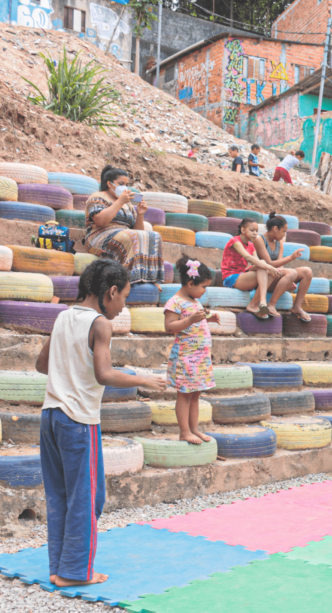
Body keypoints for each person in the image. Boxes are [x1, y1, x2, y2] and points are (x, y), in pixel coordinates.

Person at [35, 260, 166, 587]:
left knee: (60, 494)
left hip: (50, 415)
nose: (124, 305)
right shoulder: (100, 324)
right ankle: (76, 572)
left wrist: (68, 371)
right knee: (88, 497)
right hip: (78, 420)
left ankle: (59, 567)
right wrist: (144, 379)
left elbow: (41, 364)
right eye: (124, 297)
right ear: (110, 292)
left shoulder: (64, 316)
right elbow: (104, 374)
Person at [164, 258, 219, 444]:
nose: (205, 291)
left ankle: (194, 430)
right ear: (190, 283)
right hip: (186, 355)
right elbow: (170, 327)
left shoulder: (195, 301)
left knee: (196, 394)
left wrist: (209, 319)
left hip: (200, 356)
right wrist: (190, 320)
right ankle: (184, 432)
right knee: (185, 394)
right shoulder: (175, 302)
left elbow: (196, 320)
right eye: (203, 287)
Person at [84, 166, 163, 286]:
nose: (124, 187)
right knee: (129, 235)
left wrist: (140, 215)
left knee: (155, 236)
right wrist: (119, 201)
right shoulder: (97, 197)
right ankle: (127, 278)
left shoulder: (129, 205)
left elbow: (138, 231)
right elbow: (100, 221)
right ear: (109, 184)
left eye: (126, 184)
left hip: (125, 234)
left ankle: (147, 277)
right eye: (121, 184)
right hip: (100, 236)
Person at [221, 218, 293, 319]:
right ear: (243, 230)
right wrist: (270, 267)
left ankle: (259, 304)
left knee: (263, 264)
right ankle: (261, 302)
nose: (255, 233)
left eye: (257, 231)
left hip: (243, 274)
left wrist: (270, 268)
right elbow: (248, 257)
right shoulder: (235, 241)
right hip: (231, 277)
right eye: (252, 230)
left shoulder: (251, 245)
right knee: (265, 266)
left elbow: (258, 262)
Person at [252, 213, 315, 323]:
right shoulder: (259, 239)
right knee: (290, 273)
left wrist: (289, 280)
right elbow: (269, 263)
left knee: (307, 272)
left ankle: (297, 307)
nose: (284, 235)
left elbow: (280, 266)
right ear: (276, 229)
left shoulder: (279, 243)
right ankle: (271, 305)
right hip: (263, 278)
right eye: (284, 231)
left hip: (274, 275)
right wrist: (291, 257)